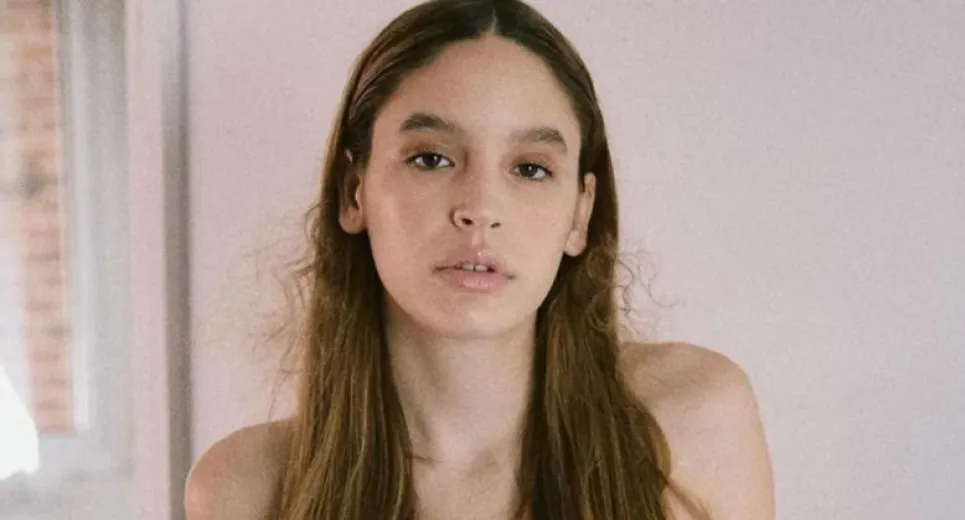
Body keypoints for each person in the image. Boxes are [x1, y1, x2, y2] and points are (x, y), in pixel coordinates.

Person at [184, 0, 775, 518]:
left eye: (530, 168)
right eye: (431, 159)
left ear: (581, 213)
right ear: (353, 192)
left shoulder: (693, 420)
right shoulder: (244, 489)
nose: (480, 208)